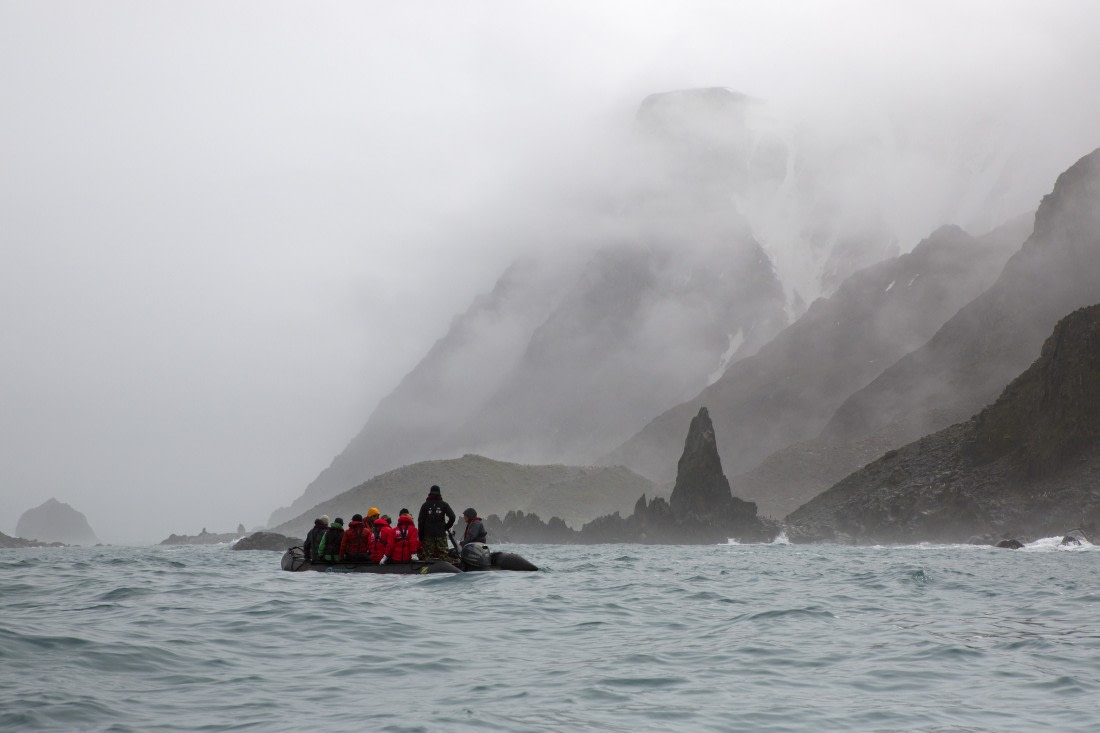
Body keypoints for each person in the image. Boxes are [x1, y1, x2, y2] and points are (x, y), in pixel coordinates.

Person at [418, 485, 456, 560]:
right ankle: (445, 570)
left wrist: (421, 536)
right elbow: (452, 517)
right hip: (441, 534)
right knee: (444, 557)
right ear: (439, 493)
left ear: (430, 493)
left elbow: (420, 521)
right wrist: (445, 527)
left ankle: (428, 570)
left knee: (427, 558)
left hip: (428, 535)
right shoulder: (444, 504)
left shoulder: (425, 505)